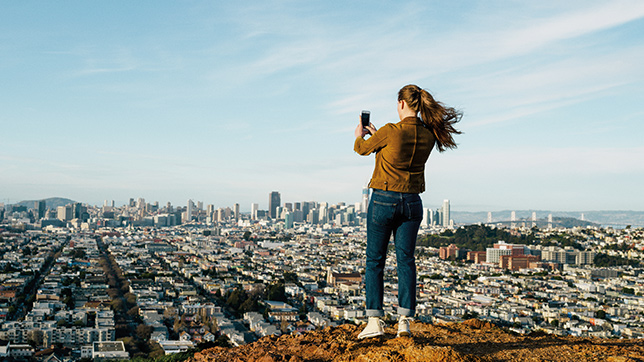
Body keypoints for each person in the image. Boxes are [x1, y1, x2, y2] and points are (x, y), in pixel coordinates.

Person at [354, 84, 462, 339]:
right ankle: (404, 321)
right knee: (406, 260)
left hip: (383, 200)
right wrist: (379, 134)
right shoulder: (429, 134)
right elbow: (401, 150)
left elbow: (361, 149)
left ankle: (374, 321)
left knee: (375, 260)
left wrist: (361, 134)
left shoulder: (391, 131)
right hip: (413, 203)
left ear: (402, 104)